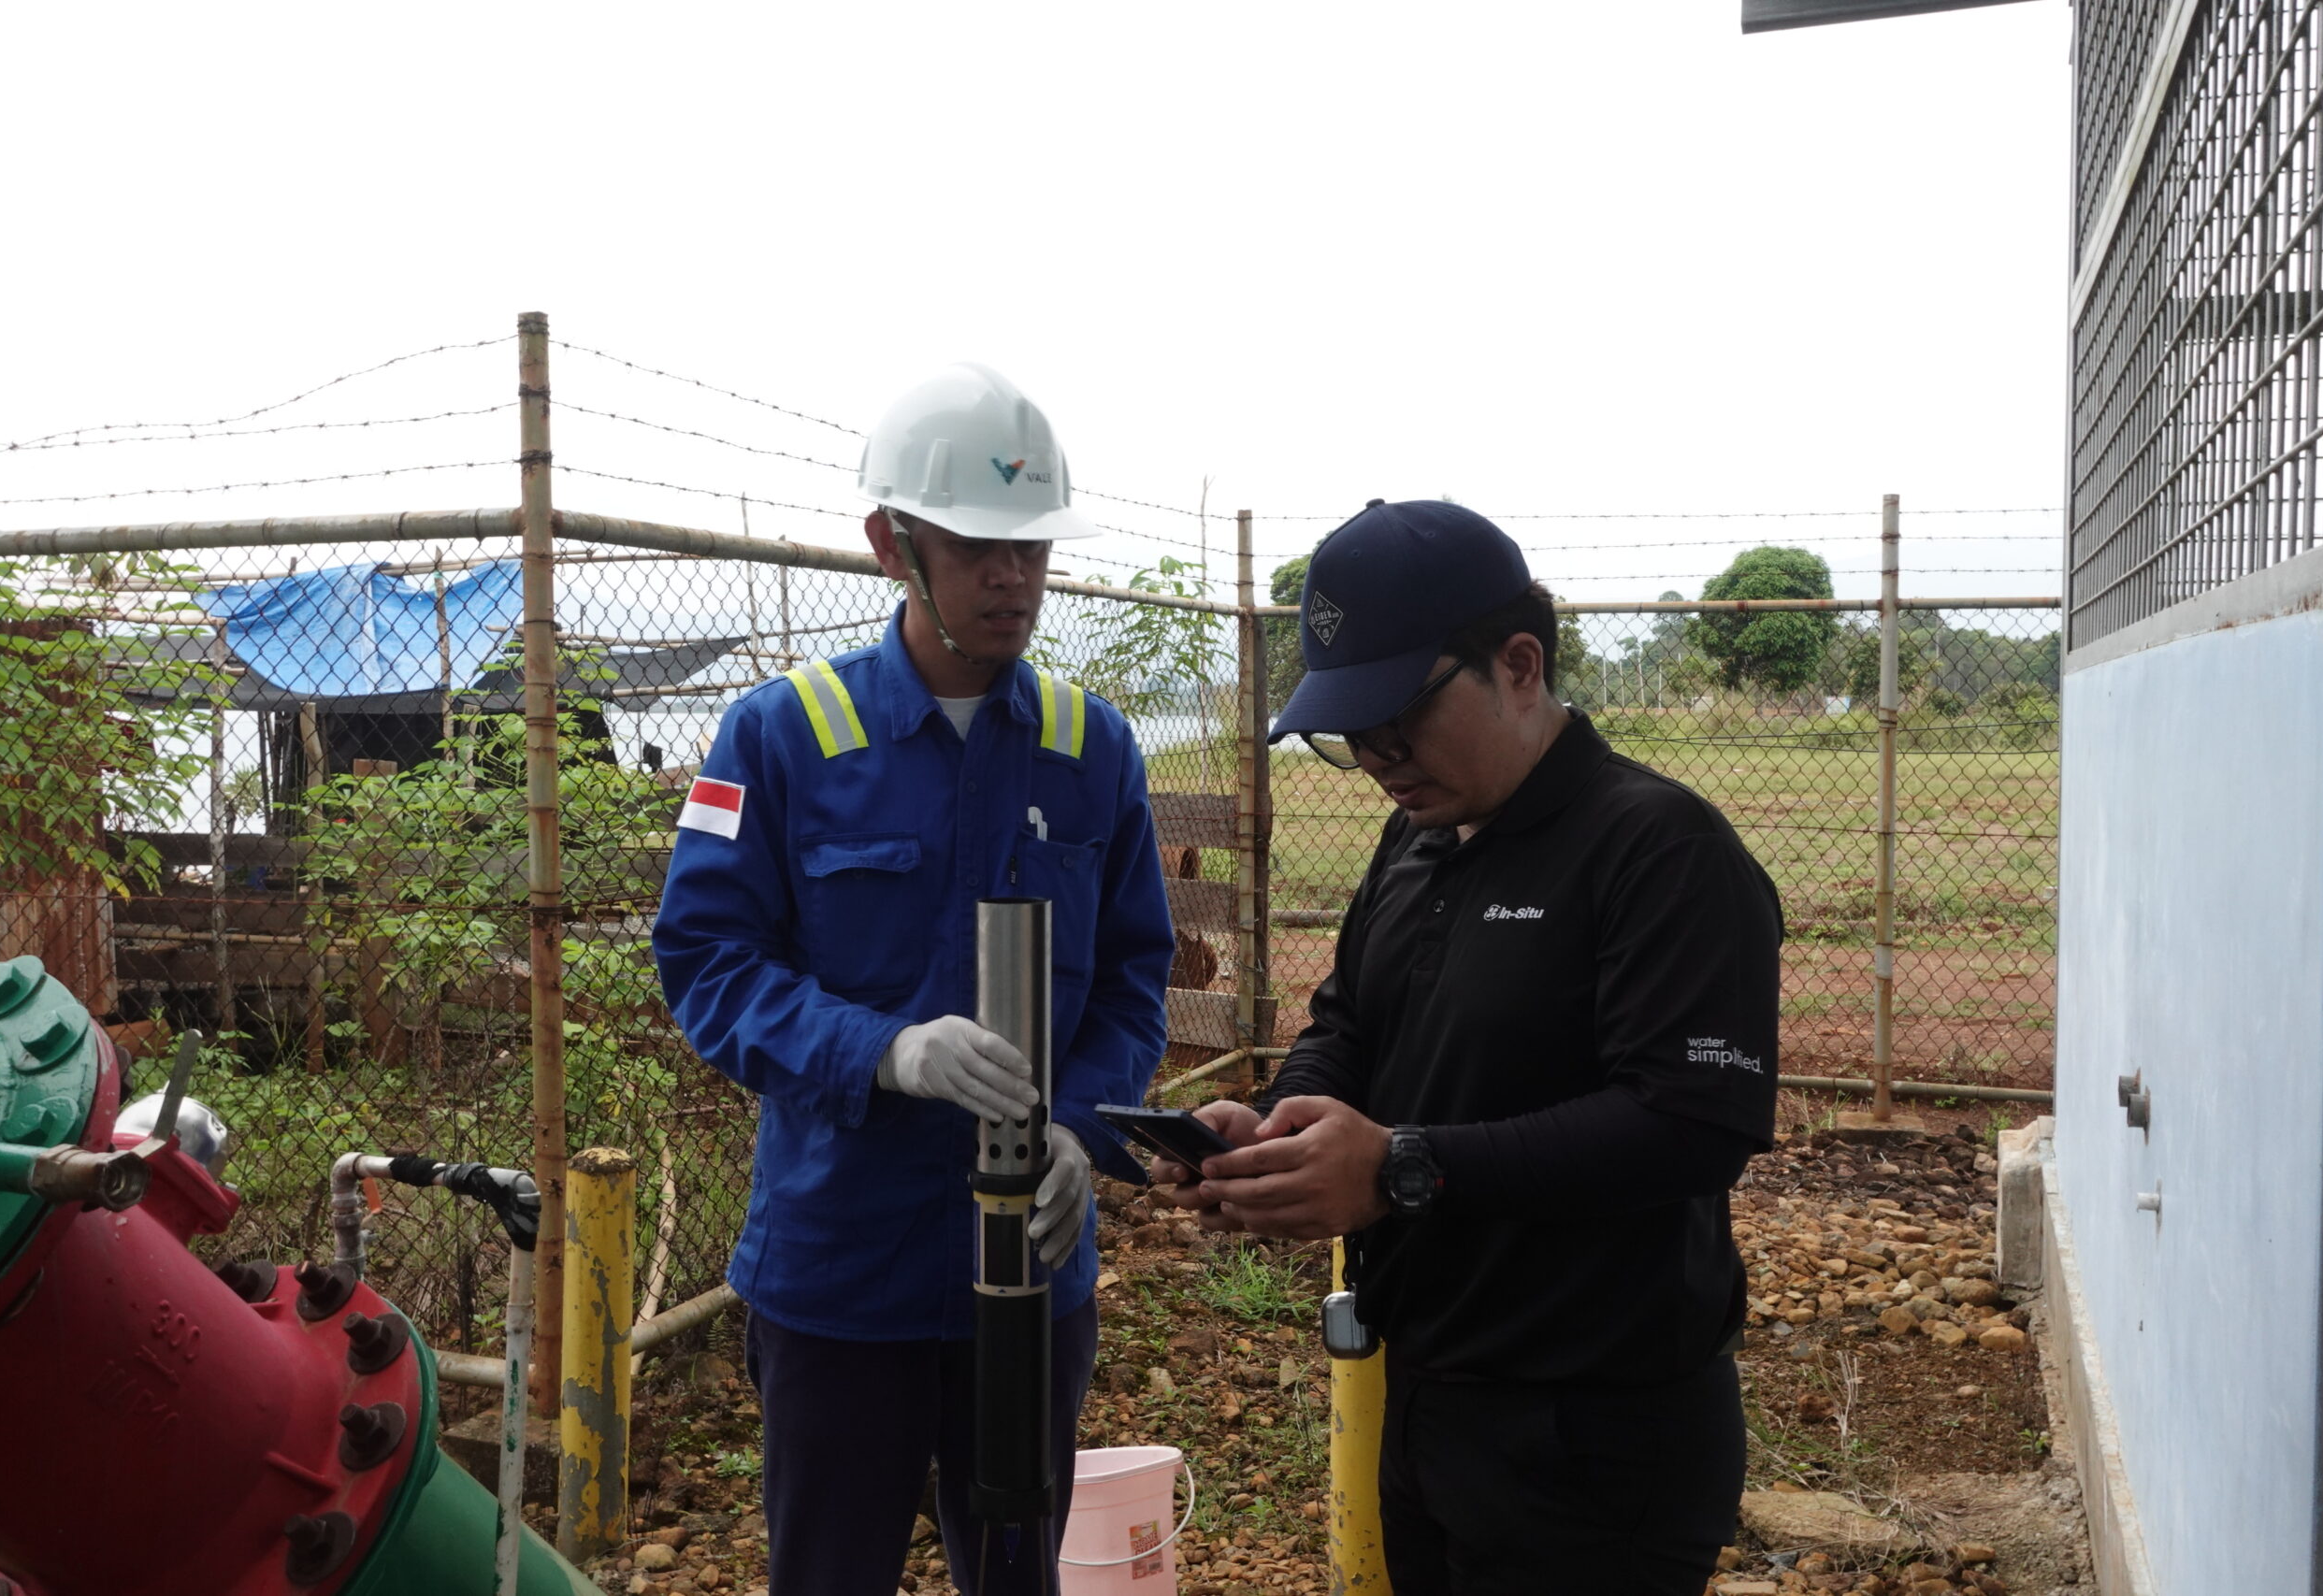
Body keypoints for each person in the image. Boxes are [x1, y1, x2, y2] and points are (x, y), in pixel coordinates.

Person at [1152, 500, 1782, 1595]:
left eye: (1400, 719)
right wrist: (1280, 1123)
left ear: (1518, 665)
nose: (1378, 760)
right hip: (1429, 1390)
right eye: (1352, 734)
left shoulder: (1659, 850)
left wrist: (1400, 1168)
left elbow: (1691, 1125)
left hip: (1596, 1432)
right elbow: (1349, 1021)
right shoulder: (1415, 839)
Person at [653, 363, 1174, 1596]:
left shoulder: (1090, 748)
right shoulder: (780, 736)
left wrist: (1077, 1128)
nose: (1015, 579)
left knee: (1016, 1572)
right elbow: (707, 962)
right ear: (894, 544)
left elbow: (1132, 980)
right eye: (979, 548)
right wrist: (882, 1050)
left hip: (1032, 1277)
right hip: (843, 1274)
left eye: (1031, 547)